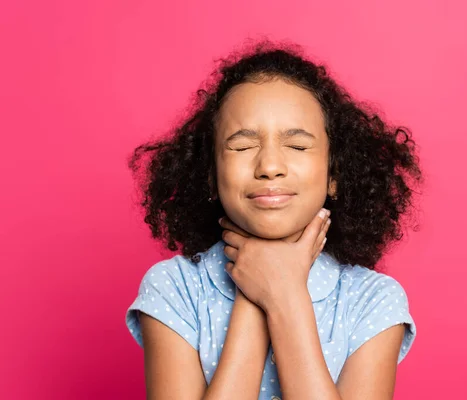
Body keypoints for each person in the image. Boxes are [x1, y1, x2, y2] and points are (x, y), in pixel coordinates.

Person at [125, 40, 422, 399]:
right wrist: (255, 292)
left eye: (296, 146)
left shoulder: (373, 301)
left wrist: (285, 296)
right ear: (209, 175)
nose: (269, 167)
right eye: (242, 145)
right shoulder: (174, 289)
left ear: (334, 174)